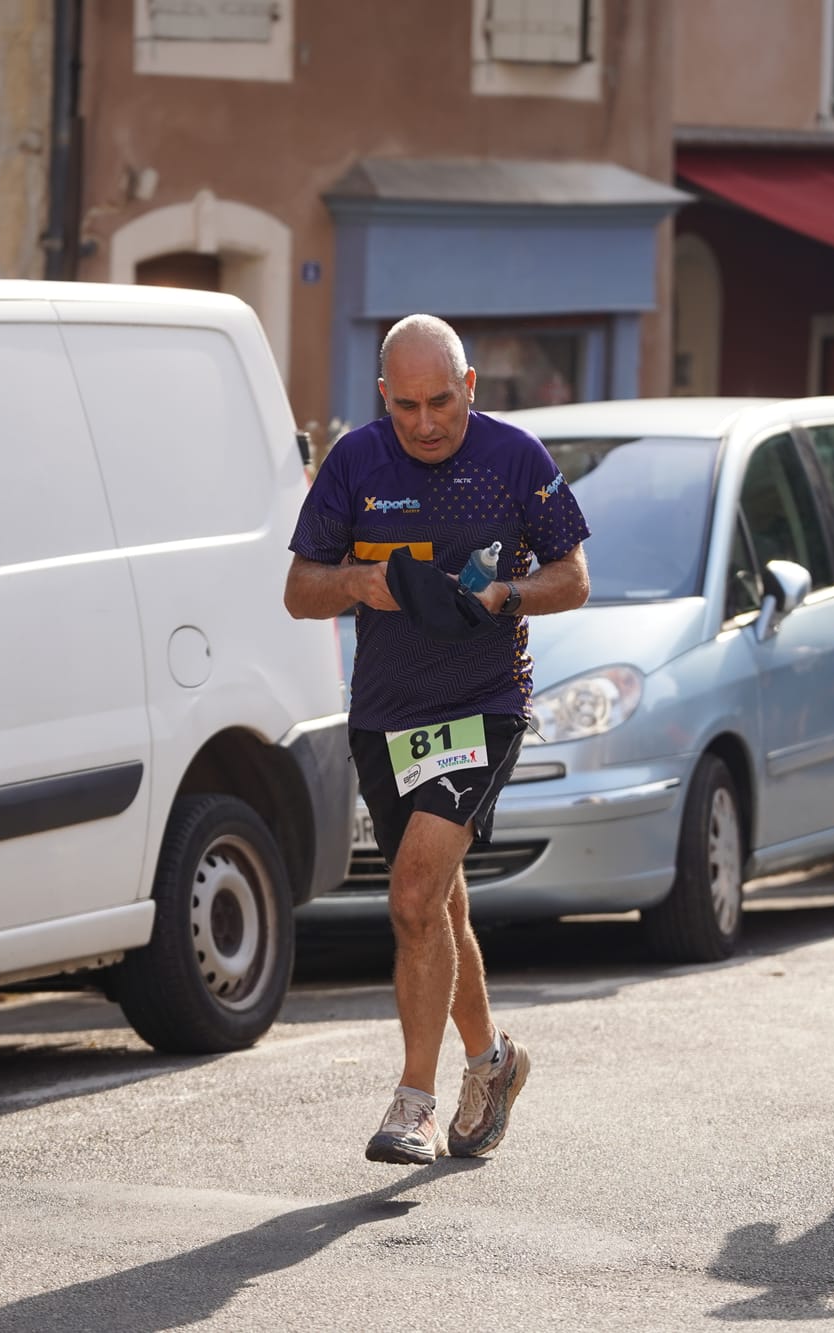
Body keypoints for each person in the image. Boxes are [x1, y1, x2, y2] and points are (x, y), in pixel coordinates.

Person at [283, 314, 590, 1165]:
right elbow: (299, 591)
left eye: (443, 402)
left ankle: (412, 1103)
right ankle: (493, 1063)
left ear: (472, 387)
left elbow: (574, 576)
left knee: (415, 895)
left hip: (482, 705)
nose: (426, 422)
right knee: (442, 905)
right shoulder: (356, 463)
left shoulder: (514, 458)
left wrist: (511, 596)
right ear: (383, 397)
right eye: (408, 405)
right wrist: (363, 581)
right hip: (386, 716)